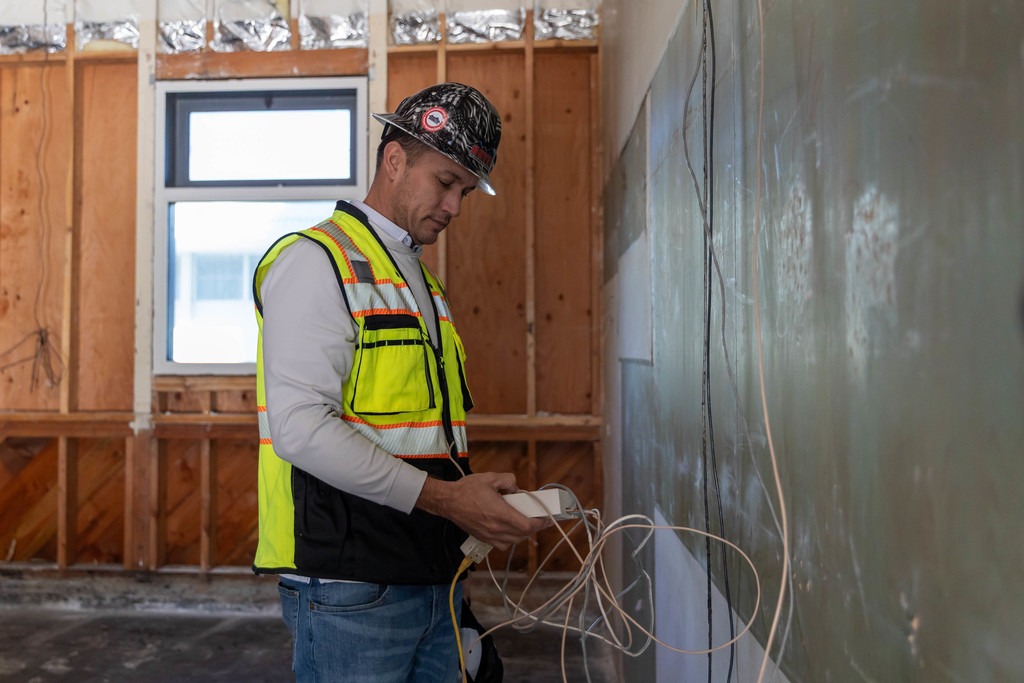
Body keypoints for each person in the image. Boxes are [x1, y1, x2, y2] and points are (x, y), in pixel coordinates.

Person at [251, 82, 548, 682]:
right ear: (395, 160)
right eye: (445, 182)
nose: (457, 206)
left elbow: (418, 437)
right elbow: (300, 430)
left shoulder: (414, 279)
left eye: (466, 190)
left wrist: (473, 505)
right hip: (351, 590)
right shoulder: (318, 262)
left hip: (431, 578)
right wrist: (448, 500)